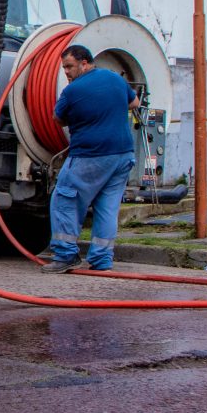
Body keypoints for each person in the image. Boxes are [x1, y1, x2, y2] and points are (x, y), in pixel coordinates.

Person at [41, 44, 140, 274]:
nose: (66, 72)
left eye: (69, 66)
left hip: (91, 155)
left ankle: (65, 255)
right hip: (123, 155)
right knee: (107, 207)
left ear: (84, 63)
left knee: (64, 199)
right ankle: (102, 259)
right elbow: (134, 103)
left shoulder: (72, 91)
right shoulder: (115, 79)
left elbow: (58, 119)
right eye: (64, 67)